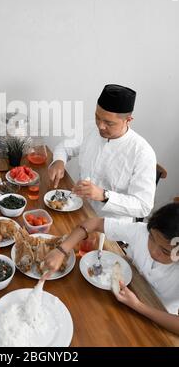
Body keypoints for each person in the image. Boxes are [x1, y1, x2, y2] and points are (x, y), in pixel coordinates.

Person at [42, 203, 179, 335]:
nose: (154, 252)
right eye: (152, 238)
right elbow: (94, 223)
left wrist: (137, 305)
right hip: (118, 300)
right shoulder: (142, 231)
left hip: (156, 325)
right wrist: (61, 250)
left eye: (165, 251)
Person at [49, 84, 156, 220]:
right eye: (97, 117)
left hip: (111, 229)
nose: (100, 126)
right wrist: (59, 161)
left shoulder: (142, 153)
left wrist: (103, 195)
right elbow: (64, 147)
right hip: (77, 210)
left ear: (128, 120)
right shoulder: (90, 128)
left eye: (109, 123)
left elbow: (143, 206)